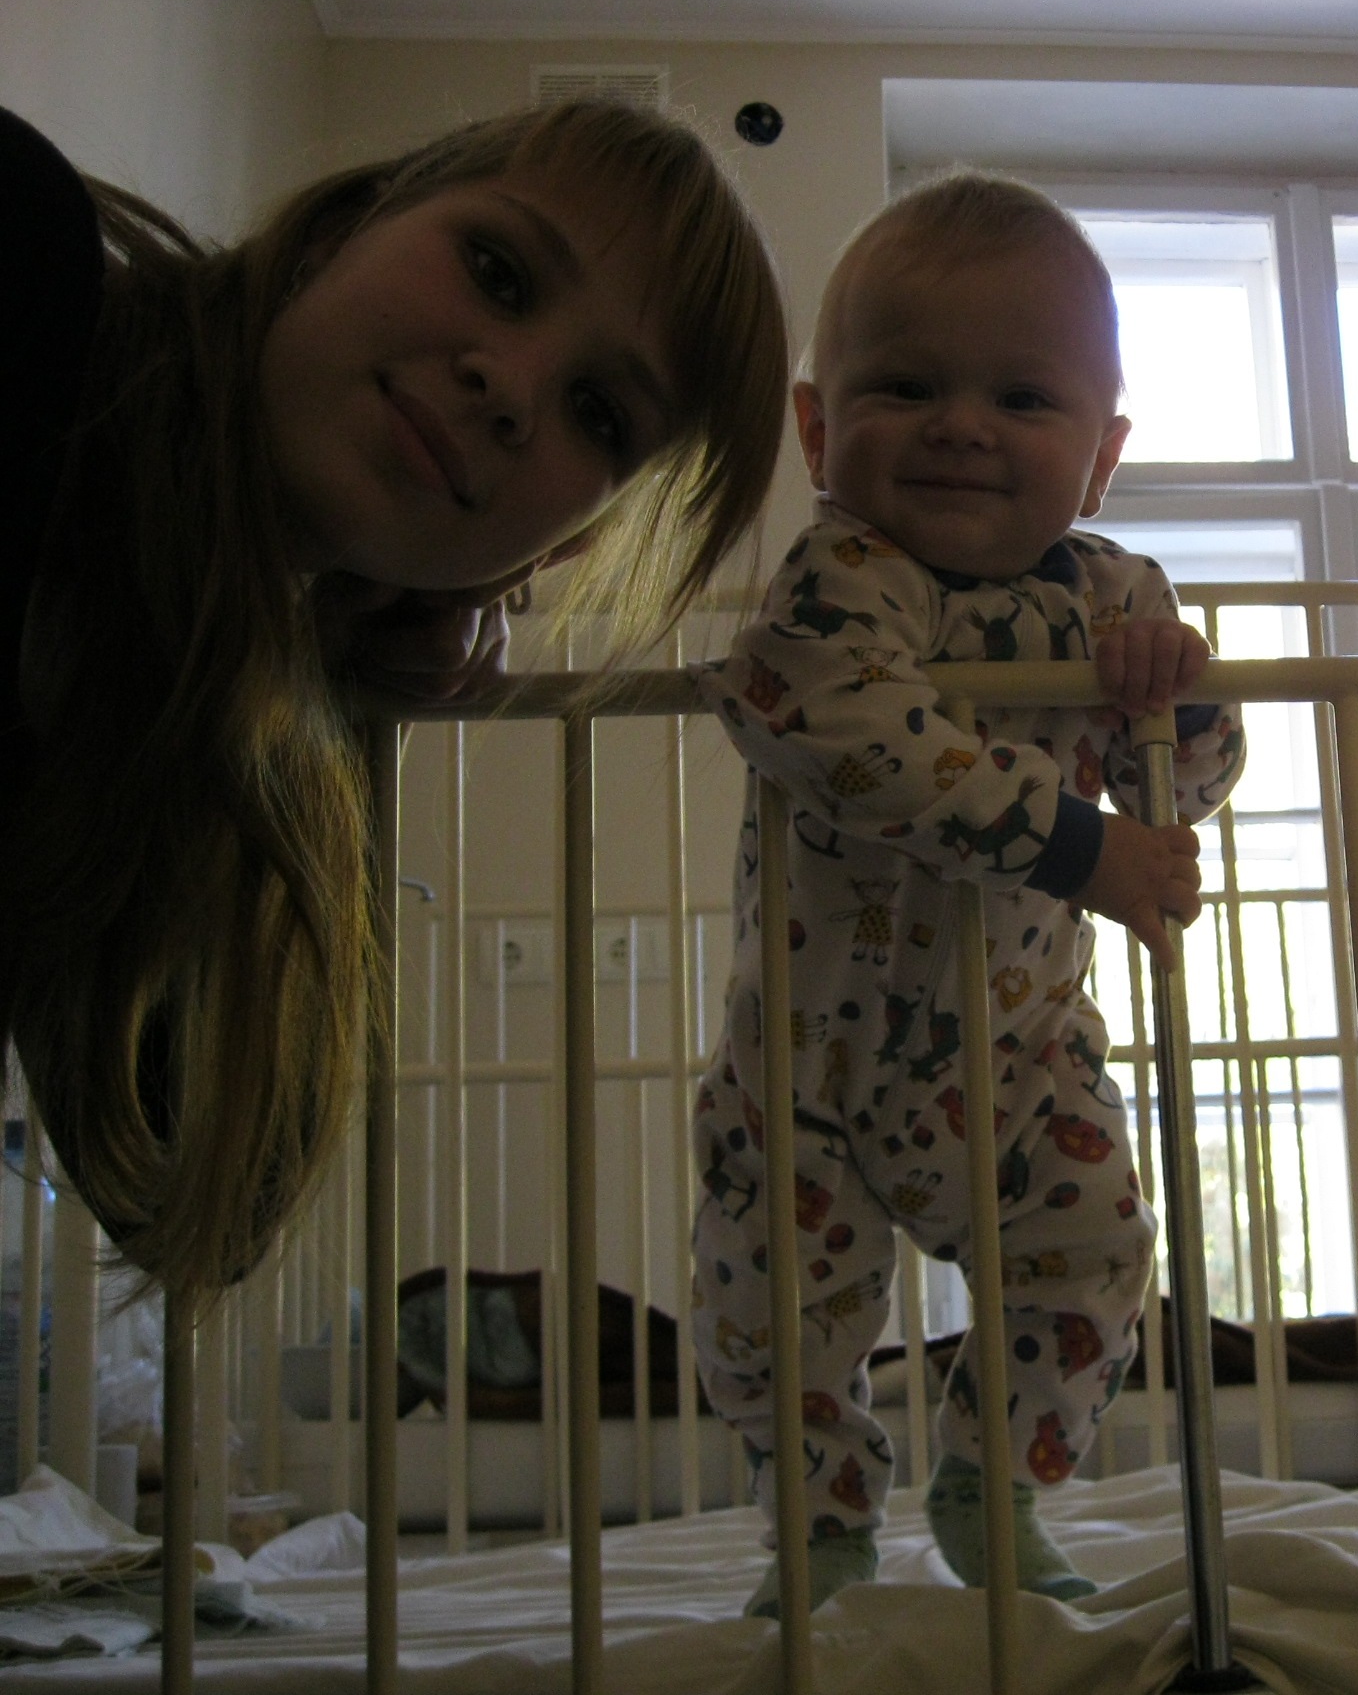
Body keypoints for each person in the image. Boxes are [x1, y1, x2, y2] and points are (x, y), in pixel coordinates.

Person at [0, 100, 789, 1305]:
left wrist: (329, 684)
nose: (511, 385)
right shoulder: (28, 257)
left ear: (557, 549)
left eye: (598, 414)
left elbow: (208, 1189)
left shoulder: (226, 669)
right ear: (341, 231)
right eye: (497, 271)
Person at [690, 174, 1244, 1615]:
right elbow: (838, 723)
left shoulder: (1115, 594)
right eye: (906, 386)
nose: (960, 425)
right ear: (820, 429)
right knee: (775, 1314)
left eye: (1022, 398)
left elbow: (1184, 783)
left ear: (1101, 457)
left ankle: (994, 1486)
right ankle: (819, 1528)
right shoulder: (841, 578)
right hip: (803, 1066)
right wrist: (1082, 851)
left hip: (1019, 1056)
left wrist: (1175, 699)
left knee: (1098, 1251)